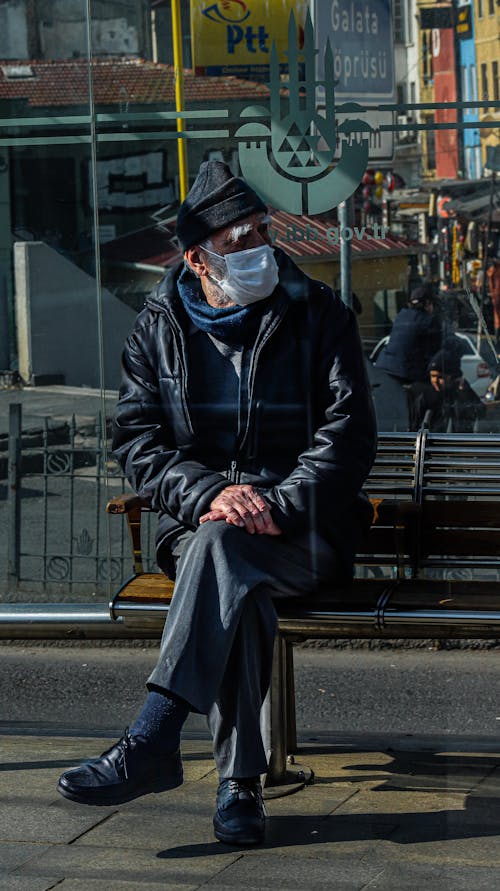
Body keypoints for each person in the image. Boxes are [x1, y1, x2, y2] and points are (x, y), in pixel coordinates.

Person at [57, 161, 377, 846]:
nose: (260, 246)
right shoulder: (157, 327)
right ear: (197, 257)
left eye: (263, 229)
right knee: (229, 565)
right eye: (239, 239)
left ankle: (157, 738)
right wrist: (210, 493)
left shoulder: (318, 314)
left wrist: (276, 504)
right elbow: (136, 441)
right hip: (199, 525)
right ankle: (238, 786)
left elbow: (348, 437)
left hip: (304, 528)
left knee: (226, 557)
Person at [407, 347, 485, 432]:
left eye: (440, 377)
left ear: (453, 377)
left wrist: (464, 392)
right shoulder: (425, 397)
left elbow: (479, 413)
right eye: (432, 376)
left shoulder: (461, 394)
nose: (435, 381)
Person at [375, 285, 442, 384]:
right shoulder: (429, 321)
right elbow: (436, 352)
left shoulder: (401, 316)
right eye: (432, 304)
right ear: (427, 303)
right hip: (405, 373)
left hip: (383, 367)